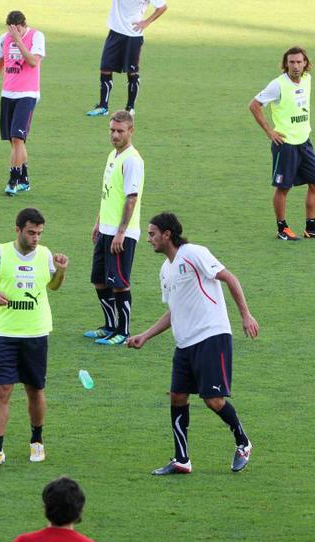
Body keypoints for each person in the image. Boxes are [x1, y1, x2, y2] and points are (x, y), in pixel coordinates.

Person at [126, 212, 259, 475]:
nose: (149, 239)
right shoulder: (165, 270)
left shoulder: (194, 253)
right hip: (184, 343)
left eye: (152, 234)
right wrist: (146, 335)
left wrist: (246, 315)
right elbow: (173, 311)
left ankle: (243, 443)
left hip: (211, 336)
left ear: (167, 234)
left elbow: (229, 278)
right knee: (177, 397)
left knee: (213, 399)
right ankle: (182, 460)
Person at [0, 208, 68, 468]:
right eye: (31, 232)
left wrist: (61, 271)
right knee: (1, 390)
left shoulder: (45, 255)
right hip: (5, 333)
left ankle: (37, 441)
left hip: (36, 332)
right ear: (17, 230)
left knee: (35, 389)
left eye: (39, 233)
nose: (36, 238)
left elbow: (53, 286)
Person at [249, 47, 315, 241]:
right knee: (283, 187)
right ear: (285, 64)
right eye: (292, 62)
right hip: (285, 145)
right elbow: (254, 105)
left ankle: (311, 228)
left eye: (299, 62)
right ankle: (282, 229)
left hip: (304, 142)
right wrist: (270, 131)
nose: (295, 66)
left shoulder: (307, 79)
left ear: (305, 63)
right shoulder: (277, 85)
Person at [83, 110, 143, 346]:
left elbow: (131, 198)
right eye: (112, 130)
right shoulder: (113, 155)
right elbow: (109, 194)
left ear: (131, 131)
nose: (115, 135)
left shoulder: (132, 160)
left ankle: (123, 331)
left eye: (120, 131)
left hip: (122, 234)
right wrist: (99, 222)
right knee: (99, 279)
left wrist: (121, 232)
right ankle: (109, 325)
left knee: (119, 282)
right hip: (106, 230)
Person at [0, 10, 46, 196]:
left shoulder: (36, 36)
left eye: (17, 30)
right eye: (10, 30)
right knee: (14, 142)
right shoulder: (3, 38)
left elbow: (33, 62)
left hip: (27, 94)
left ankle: (13, 179)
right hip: (7, 93)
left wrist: (18, 41)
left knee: (17, 138)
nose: (13, 33)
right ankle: (24, 180)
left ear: (24, 25)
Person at [85, 0, 168, 116]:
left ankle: (130, 108)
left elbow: (162, 7)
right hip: (115, 32)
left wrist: (146, 22)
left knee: (132, 72)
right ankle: (103, 107)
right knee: (105, 68)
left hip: (132, 35)